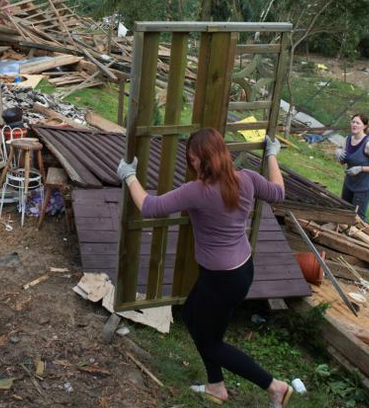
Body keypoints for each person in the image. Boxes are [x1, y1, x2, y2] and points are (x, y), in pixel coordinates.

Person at [117, 128, 295, 407]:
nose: (193, 165)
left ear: (204, 158)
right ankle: (216, 385)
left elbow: (150, 207)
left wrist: (128, 176)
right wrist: (272, 156)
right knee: (190, 314)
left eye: (194, 159)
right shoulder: (246, 179)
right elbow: (278, 192)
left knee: (212, 343)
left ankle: (274, 386)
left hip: (222, 279)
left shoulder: (199, 192)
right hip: (240, 270)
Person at [335, 113, 369, 222]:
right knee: (343, 210)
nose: (354, 125)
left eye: (358, 123)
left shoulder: (368, 144)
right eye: (353, 122)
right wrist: (337, 151)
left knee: (357, 217)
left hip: (363, 187)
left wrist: (361, 168)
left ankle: (359, 237)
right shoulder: (348, 139)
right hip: (349, 183)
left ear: (364, 126)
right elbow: (342, 161)